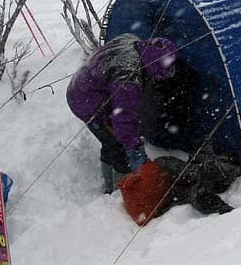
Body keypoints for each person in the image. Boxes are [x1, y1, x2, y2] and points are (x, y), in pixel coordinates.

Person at [66, 33, 178, 194]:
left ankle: (109, 186)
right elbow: (124, 118)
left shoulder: (132, 40)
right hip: (86, 102)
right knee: (119, 148)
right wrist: (135, 150)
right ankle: (121, 194)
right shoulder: (128, 76)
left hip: (81, 86)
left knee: (109, 141)